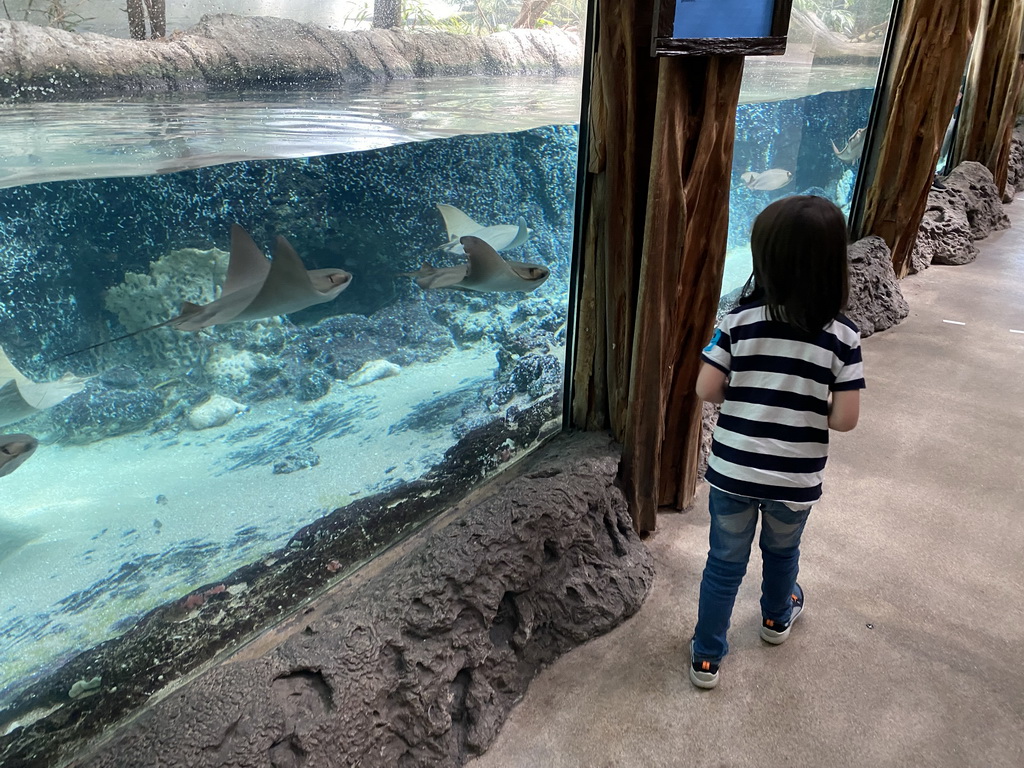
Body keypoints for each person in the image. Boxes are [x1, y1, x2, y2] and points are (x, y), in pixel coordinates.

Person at [689, 195, 865, 689]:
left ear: (764, 258)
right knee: (782, 553)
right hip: (794, 476)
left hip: (733, 471)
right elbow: (846, 420)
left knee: (724, 563)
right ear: (835, 262)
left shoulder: (738, 321)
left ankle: (707, 656)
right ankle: (775, 619)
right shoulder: (843, 338)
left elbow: (706, 389)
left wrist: (744, 393)